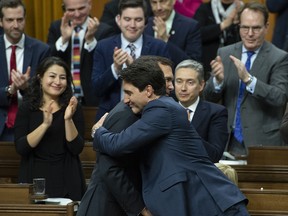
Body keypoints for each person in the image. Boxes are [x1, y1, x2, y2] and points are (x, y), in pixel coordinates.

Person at [92, 56, 248, 216]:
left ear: (148, 90)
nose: (126, 100)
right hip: (198, 203)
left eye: (129, 93)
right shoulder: (165, 107)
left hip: (213, 205)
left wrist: (98, 131)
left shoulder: (162, 109)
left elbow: (118, 145)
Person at [77, 56, 173, 216]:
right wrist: (140, 208)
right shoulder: (127, 113)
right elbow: (109, 167)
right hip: (105, 207)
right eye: (165, 80)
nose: (169, 86)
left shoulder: (147, 113)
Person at [203, 2, 288, 157]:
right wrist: (218, 82)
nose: (250, 33)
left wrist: (249, 80)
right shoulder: (225, 53)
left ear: (266, 27)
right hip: (227, 141)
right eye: (244, 27)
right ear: (239, 26)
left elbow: (280, 97)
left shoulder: (279, 57)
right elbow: (208, 98)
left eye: (256, 28)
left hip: (263, 143)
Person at [14, 56, 86, 201]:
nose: (57, 82)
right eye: (52, 76)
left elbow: (76, 148)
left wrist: (68, 119)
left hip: (67, 178)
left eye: (62, 77)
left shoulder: (73, 108)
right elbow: (22, 148)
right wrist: (45, 125)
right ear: (40, 78)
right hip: (34, 177)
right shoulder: (26, 108)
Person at [91, 0, 170, 121]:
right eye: (127, 19)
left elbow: (164, 89)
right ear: (118, 20)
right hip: (110, 116)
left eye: (138, 20)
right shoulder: (103, 46)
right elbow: (96, 89)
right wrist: (115, 68)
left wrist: (135, 68)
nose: (132, 25)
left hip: (148, 117)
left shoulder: (158, 47)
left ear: (145, 22)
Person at [47, 0, 115, 106]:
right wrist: (63, 40)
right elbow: (49, 62)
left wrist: (91, 41)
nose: (77, 14)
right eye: (71, 10)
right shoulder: (56, 28)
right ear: (64, 8)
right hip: (62, 98)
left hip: (93, 100)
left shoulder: (104, 30)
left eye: (81, 8)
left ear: (90, 5)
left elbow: (104, 66)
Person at [0, 0, 50, 141]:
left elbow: (47, 92)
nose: (15, 25)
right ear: (1, 21)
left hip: (31, 124)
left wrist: (26, 87)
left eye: (20, 19)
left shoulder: (42, 50)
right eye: (10, 20)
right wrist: (10, 90)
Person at [174, 59, 228, 162]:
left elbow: (215, 155)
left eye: (190, 82)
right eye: (179, 81)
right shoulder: (165, 110)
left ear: (201, 85)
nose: (183, 88)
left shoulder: (216, 113)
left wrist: (188, 130)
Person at [194, 0, 242, 80]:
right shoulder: (205, 8)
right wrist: (224, 24)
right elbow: (197, 34)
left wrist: (238, 23)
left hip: (233, 63)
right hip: (207, 64)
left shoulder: (243, 10)